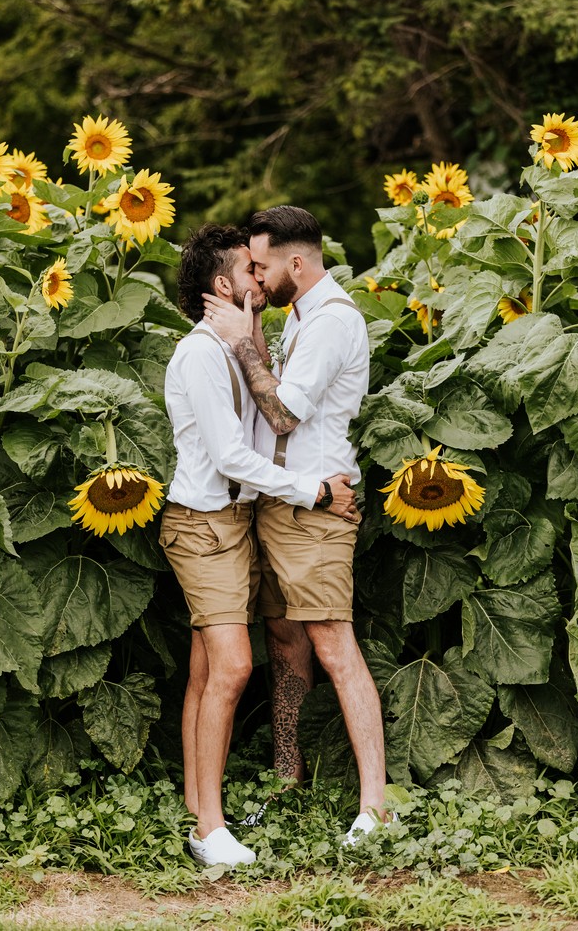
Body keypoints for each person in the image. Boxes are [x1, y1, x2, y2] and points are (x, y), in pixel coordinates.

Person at [160, 223, 358, 868]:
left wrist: (251, 339)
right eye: (250, 270)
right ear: (225, 284)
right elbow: (232, 456)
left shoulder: (234, 348)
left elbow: (274, 412)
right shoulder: (199, 355)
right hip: (204, 525)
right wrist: (315, 491)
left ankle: (198, 806)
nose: (261, 278)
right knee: (235, 667)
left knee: (205, 671)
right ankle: (210, 831)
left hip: (230, 525)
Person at [202, 205, 393, 844]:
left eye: (259, 265)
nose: (252, 276)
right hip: (280, 503)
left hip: (316, 508)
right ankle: (289, 779)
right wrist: (251, 325)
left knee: (335, 646)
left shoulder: (334, 322)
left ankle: (374, 807)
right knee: (285, 642)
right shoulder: (298, 317)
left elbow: (281, 414)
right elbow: (274, 390)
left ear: (294, 262)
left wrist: (235, 339)